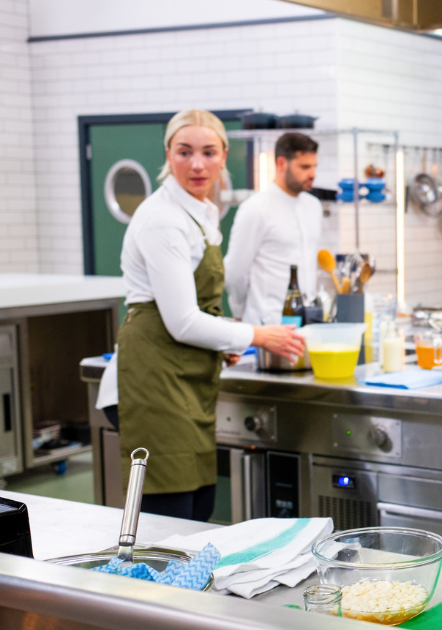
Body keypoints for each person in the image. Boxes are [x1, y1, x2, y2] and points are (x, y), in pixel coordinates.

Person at [96, 110, 305, 521]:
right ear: (168, 155)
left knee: (197, 510)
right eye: (184, 151)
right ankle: (153, 589)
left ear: (224, 155)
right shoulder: (163, 219)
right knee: (168, 523)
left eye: (208, 152)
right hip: (151, 384)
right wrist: (257, 335)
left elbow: (189, 308)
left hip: (181, 376)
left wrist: (226, 335)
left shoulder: (200, 212)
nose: (197, 164)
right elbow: (181, 321)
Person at [225, 133, 323, 325]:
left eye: (314, 166)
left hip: (307, 322)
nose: (312, 174)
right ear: (281, 164)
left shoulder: (314, 206)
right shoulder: (256, 208)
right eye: (304, 167)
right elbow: (235, 272)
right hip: (268, 322)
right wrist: (239, 311)